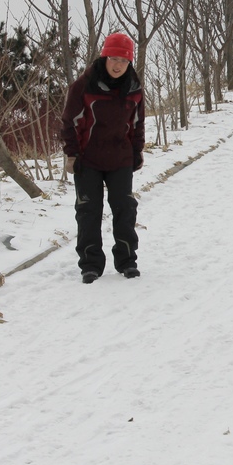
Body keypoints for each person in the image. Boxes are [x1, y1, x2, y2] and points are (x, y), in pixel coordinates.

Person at [61, 32, 145, 284]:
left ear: (129, 62)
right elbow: (69, 122)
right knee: (88, 211)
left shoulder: (134, 88)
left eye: (124, 60)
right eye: (113, 58)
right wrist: (71, 154)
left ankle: (127, 261)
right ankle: (90, 264)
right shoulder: (84, 86)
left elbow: (137, 124)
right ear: (104, 56)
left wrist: (137, 151)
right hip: (89, 160)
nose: (118, 65)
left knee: (125, 209)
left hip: (120, 159)